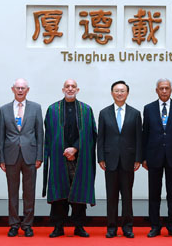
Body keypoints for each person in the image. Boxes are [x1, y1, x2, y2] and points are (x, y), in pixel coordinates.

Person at [43, 79, 97, 238]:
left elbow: (91, 134)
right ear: (63, 89)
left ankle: (79, 226)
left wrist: (75, 148)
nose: (70, 89)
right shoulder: (53, 109)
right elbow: (50, 135)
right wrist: (64, 149)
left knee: (79, 193)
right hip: (59, 158)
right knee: (59, 194)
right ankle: (58, 227)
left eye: (73, 86)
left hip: (80, 158)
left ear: (78, 90)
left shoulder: (86, 110)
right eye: (67, 86)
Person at [142, 78, 172, 238]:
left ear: (171, 90)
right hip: (153, 157)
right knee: (154, 193)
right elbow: (145, 134)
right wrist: (144, 157)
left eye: (167, 88)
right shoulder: (148, 108)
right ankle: (155, 226)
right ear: (156, 90)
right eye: (161, 88)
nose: (164, 91)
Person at [97, 80, 143, 238]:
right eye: (116, 91)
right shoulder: (104, 113)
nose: (119, 93)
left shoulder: (135, 113)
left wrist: (138, 158)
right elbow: (101, 138)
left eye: (122, 91)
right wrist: (101, 157)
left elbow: (139, 138)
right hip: (110, 160)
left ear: (127, 93)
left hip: (128, 160)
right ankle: (111, 227)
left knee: (127, 196)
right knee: (111, 196)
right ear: (112, 93)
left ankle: (127, 227)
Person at [0, 78, 43, 237]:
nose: (20, 90)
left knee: (29, 192)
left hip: (30, 155)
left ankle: (28, 224)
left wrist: (39, 156)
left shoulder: (36, 108)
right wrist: (1, 158)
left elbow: (40, 134)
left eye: (23, 88)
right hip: (10, 156)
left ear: (27, 90)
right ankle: (14, 224)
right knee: (12, 192)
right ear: (13, 89)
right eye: (17, 88)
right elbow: (1, 135)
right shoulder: (4, 109)